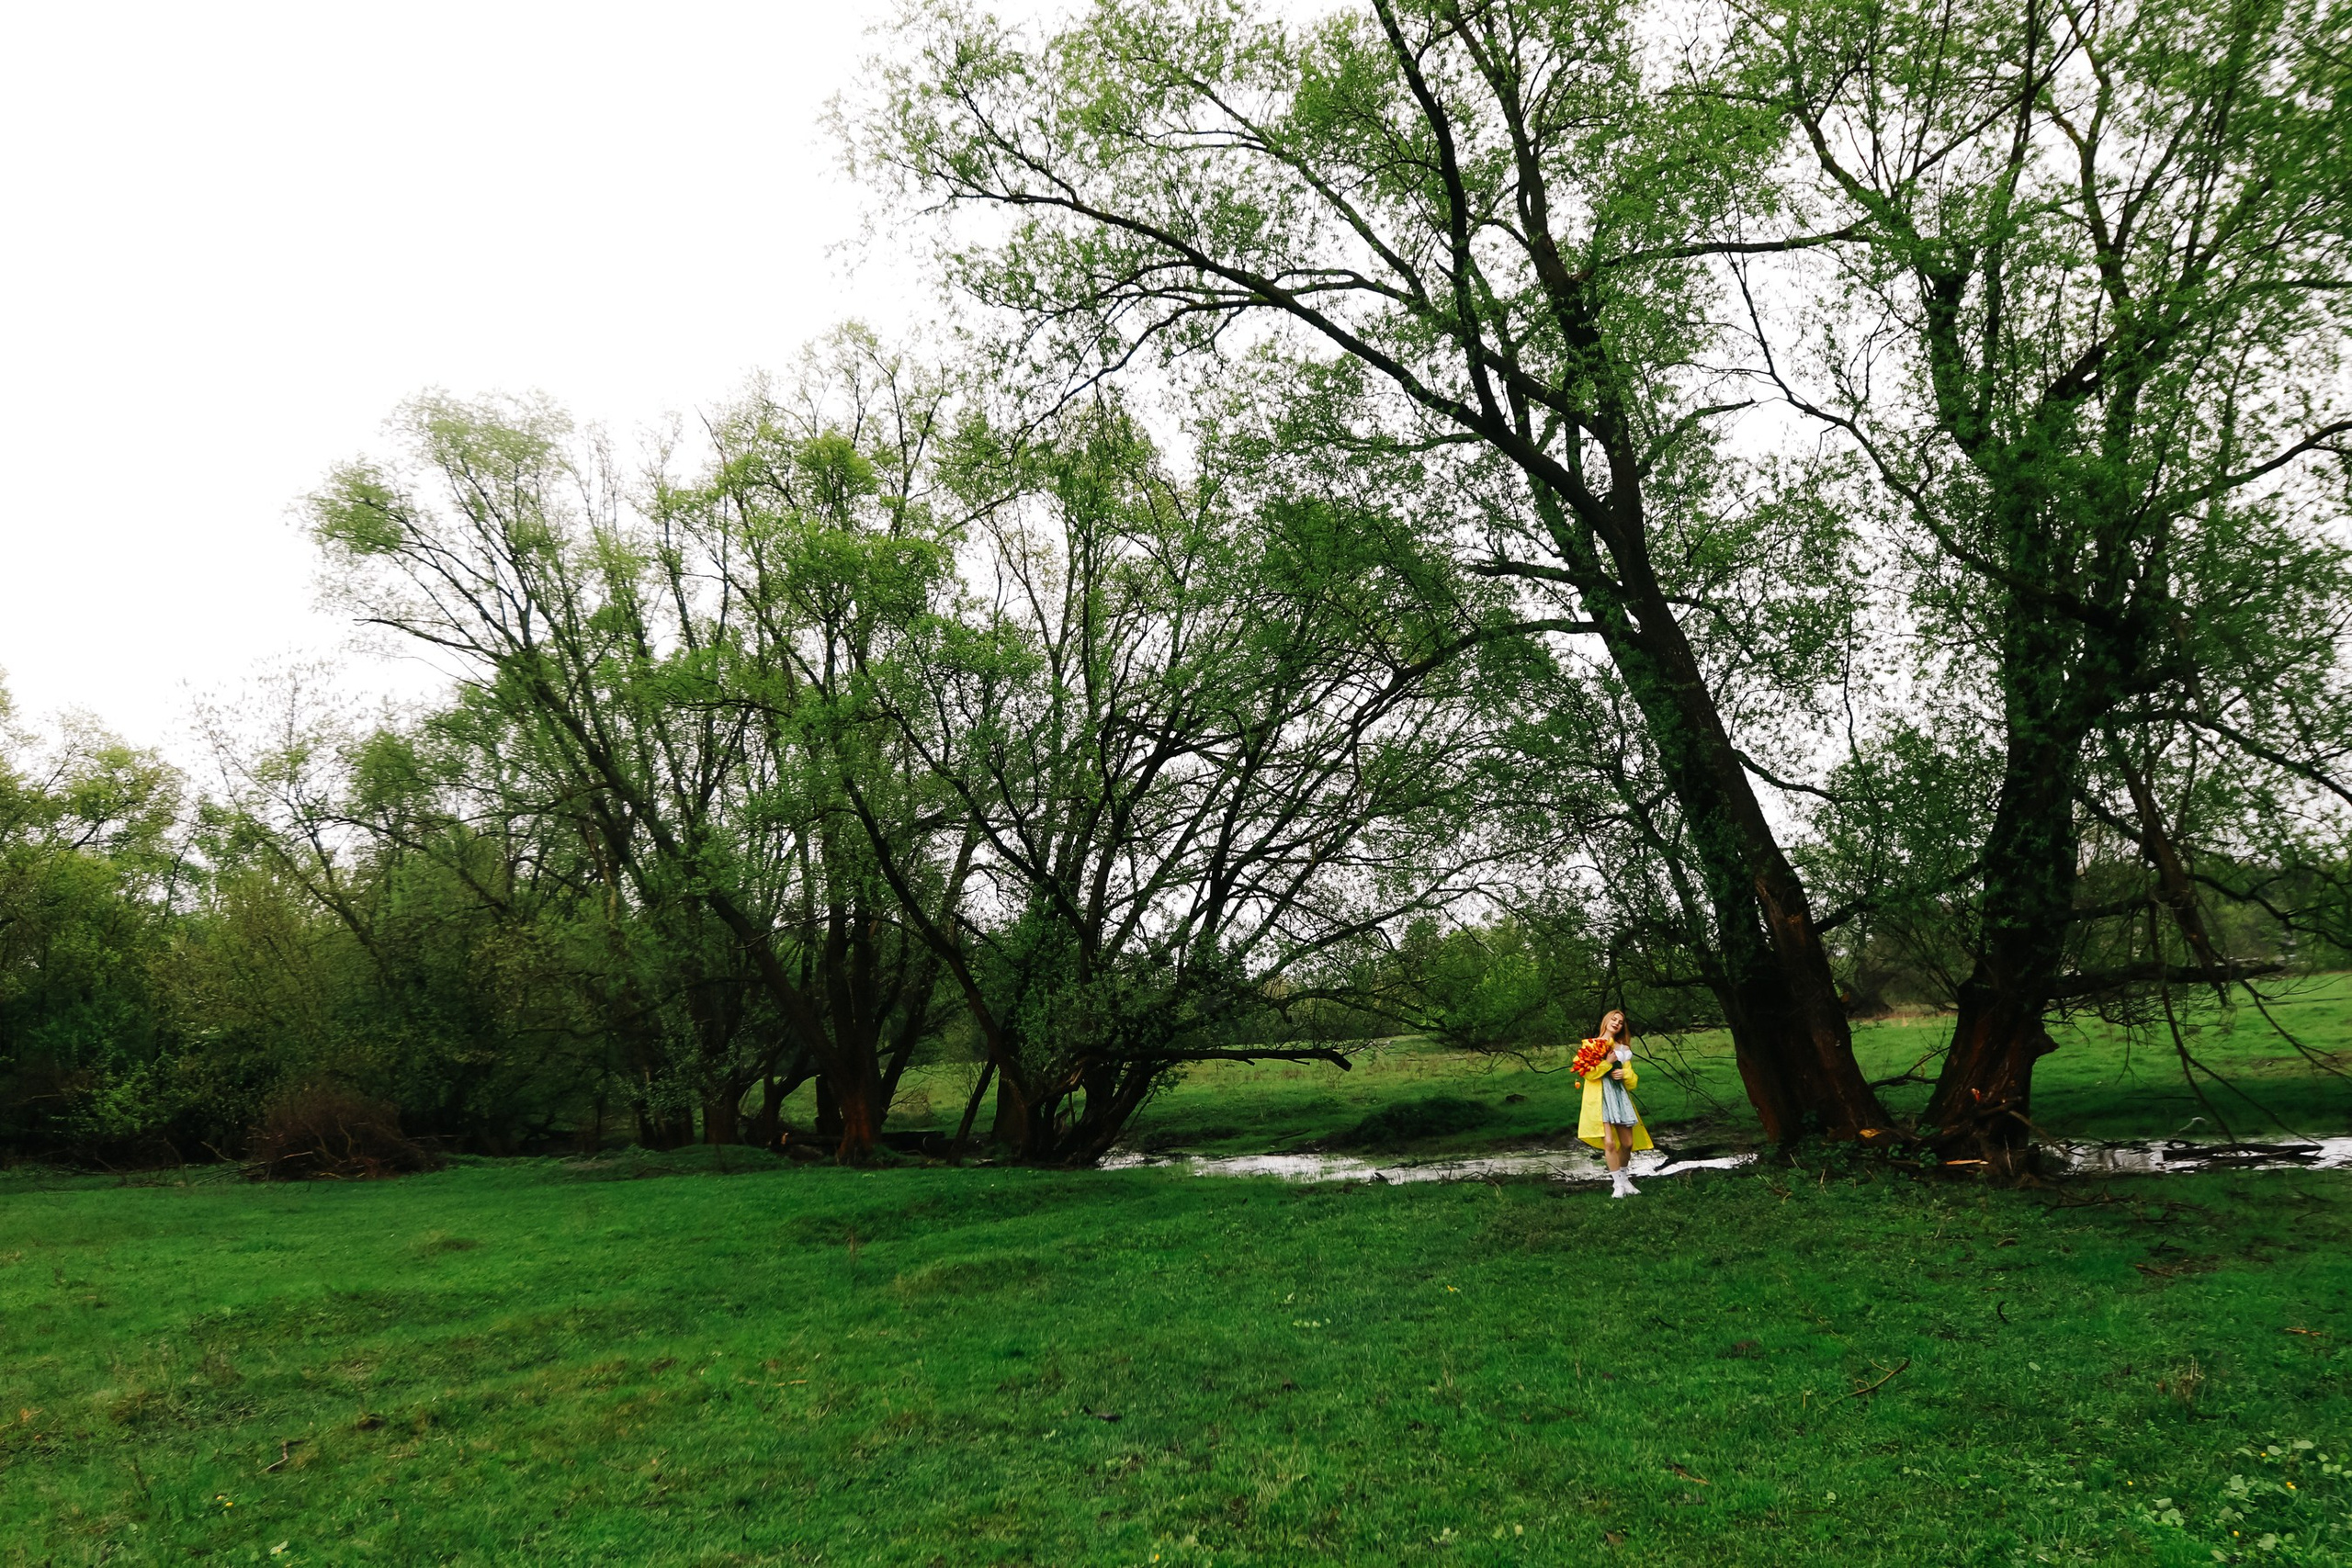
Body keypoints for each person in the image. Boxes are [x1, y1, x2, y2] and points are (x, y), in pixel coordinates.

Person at [1577, 1010, 1652, 1198]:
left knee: (1627, 1143)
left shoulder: (1623, 1049)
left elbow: (1633, 1082)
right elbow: (1589, 1074)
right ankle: (1618, 1185)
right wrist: (1607, 1063)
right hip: (1600, 1098)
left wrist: (1624, 1074)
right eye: (1614, 1019)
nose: (1617, 1023)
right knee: (1609, 1142)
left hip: (1619, 1097)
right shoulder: (1590, 1046)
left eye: (1620, 1021)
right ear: (1606, 1020)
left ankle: (1625, 1179)